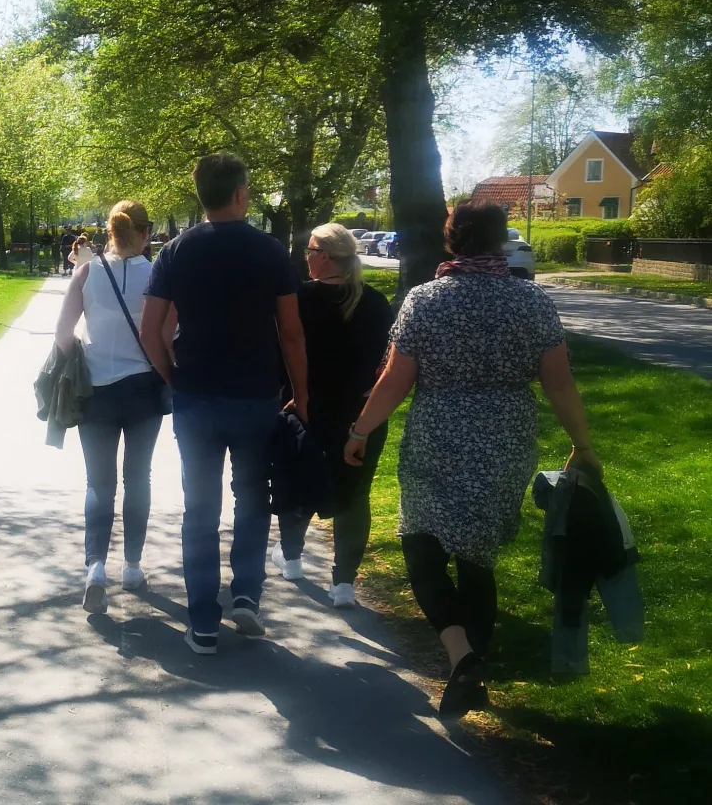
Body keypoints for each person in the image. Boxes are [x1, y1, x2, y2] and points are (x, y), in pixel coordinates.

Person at [345, 202, 600, 717]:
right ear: (499, 241)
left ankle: (463, 658)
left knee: (421, 543)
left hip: (438, 434)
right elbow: (559, 382)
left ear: (452, 239)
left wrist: (360, 429)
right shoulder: (532, 302)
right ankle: (472, 660)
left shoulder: (426, 300)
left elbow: (395, 380)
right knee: (477, 552)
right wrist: (583, 444)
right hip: (506, 437)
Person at [139, 153, 308, 655]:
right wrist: (302, 396)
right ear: (239, 194)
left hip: (196, 398)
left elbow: (151, 331)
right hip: (256, 396)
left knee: (200, 508)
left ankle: (203, 623)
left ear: (201, 195)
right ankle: (246, 598)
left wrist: (172, 375)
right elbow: (292, 333)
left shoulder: (175, 251)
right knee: (253, 498)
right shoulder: (270, 251)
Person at [55, 201, 169, 612]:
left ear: (109, 231)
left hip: (96, 390)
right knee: (138, 477)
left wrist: (74, 364)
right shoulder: (158, 274)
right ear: (144, 232)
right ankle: (133, 566)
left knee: (98, 483)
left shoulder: (87, 272)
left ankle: (95, 567)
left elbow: (64, 332)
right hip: (143, 390)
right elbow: (172, 333)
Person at [273, 223, 394, 609]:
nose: (306, 257)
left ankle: (291, 559)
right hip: (361, 415)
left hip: (306, 408)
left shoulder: (298, 300)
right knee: (354, 496)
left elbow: (282, 354)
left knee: (299, 483)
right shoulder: (375, 302)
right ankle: (343, 582)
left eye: (310, 250)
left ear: (324, 256)